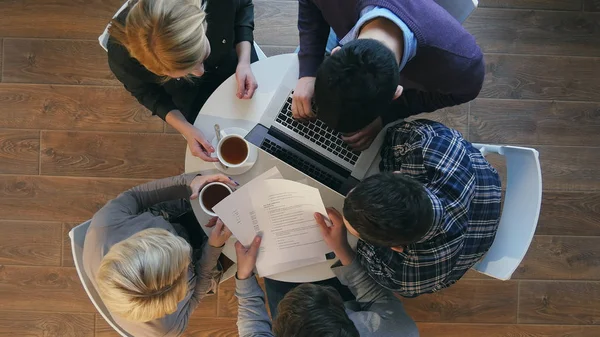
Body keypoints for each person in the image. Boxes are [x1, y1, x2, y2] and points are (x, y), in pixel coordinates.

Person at [336, 119, 502, 297]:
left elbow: (370, 262)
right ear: (397, 174)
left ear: (398, 248)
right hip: (484, 192)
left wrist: (341, 245)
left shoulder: (406, 276)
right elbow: (394, 133)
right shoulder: (432, 142)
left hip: (469, 240)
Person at [292, 0, 484, 151]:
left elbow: (462, 93)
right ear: (335, 53)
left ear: (396, 93)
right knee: (294, 74)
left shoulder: (464, 65)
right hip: (348, 14)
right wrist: (308, 71)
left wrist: (387, 116)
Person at [83, 173, 236, 337]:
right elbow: (198, 291)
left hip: (165, 214)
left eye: (164, 235)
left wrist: (189, 182)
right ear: (175, 301)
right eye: (186, 268)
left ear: (139, 239)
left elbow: (135, 196)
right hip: (205, 267)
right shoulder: (168, 329)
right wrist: (213, 247)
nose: (188, 248)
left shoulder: (104, 225)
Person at [107, 0, 258, 161]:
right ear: (153, 70)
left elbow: (243, 6)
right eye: (185, 72)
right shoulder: (122, 58)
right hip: (188, 93)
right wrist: (185, 128)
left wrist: (244, 61)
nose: (200, 73)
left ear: (202, 21)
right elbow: (147, 93)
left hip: (236, 61)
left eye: (203, 56)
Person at [233, 208, 419, 337]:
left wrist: (244, 276)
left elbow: (253, 331)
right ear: (347, 320)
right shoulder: (399, 331)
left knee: (276, 274)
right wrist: (342, 248)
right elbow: (378, 298)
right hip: (349, 302)